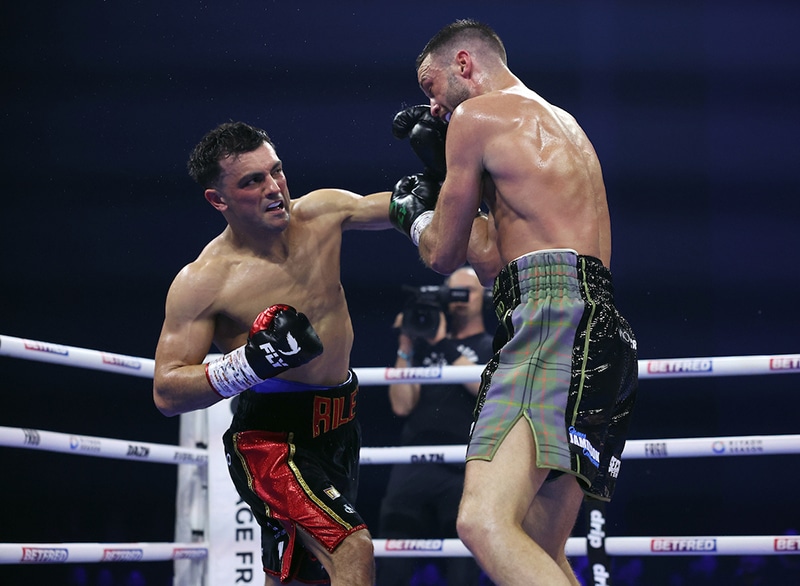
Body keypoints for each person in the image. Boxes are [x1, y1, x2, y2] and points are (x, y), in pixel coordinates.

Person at [388, 20, 639, 586]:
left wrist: (416, 214)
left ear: (463, 64)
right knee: (538, 550)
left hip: (548, 319)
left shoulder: (475, 118)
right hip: (600, 327)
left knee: (483, 523)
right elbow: (498, 264)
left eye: (432, 88)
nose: (432, 107)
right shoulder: (565, 124)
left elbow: (441, 254)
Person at [152, 121, 393, 586]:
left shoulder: (322, 212)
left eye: (276, 171)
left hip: (339, 427)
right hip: (271, 439)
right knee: (350, 547)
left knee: (301, 577)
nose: (274, 188)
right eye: (252, 181)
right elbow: (166, 391)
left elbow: (402, 206)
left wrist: (447, 170)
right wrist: (250, 363)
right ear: (217, 199)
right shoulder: (204, 280)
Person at [378, 266, 493, 586]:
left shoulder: (491, 345)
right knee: (392, 563)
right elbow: (401, 405)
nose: (457, 300)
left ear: (482, 296)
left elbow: (483, 387)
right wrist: (406, 344)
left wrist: (442, 342)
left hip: (464, 465)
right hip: (414, 459)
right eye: (451, 293)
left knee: (462, 571)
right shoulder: (423, 342)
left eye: (465, 292)